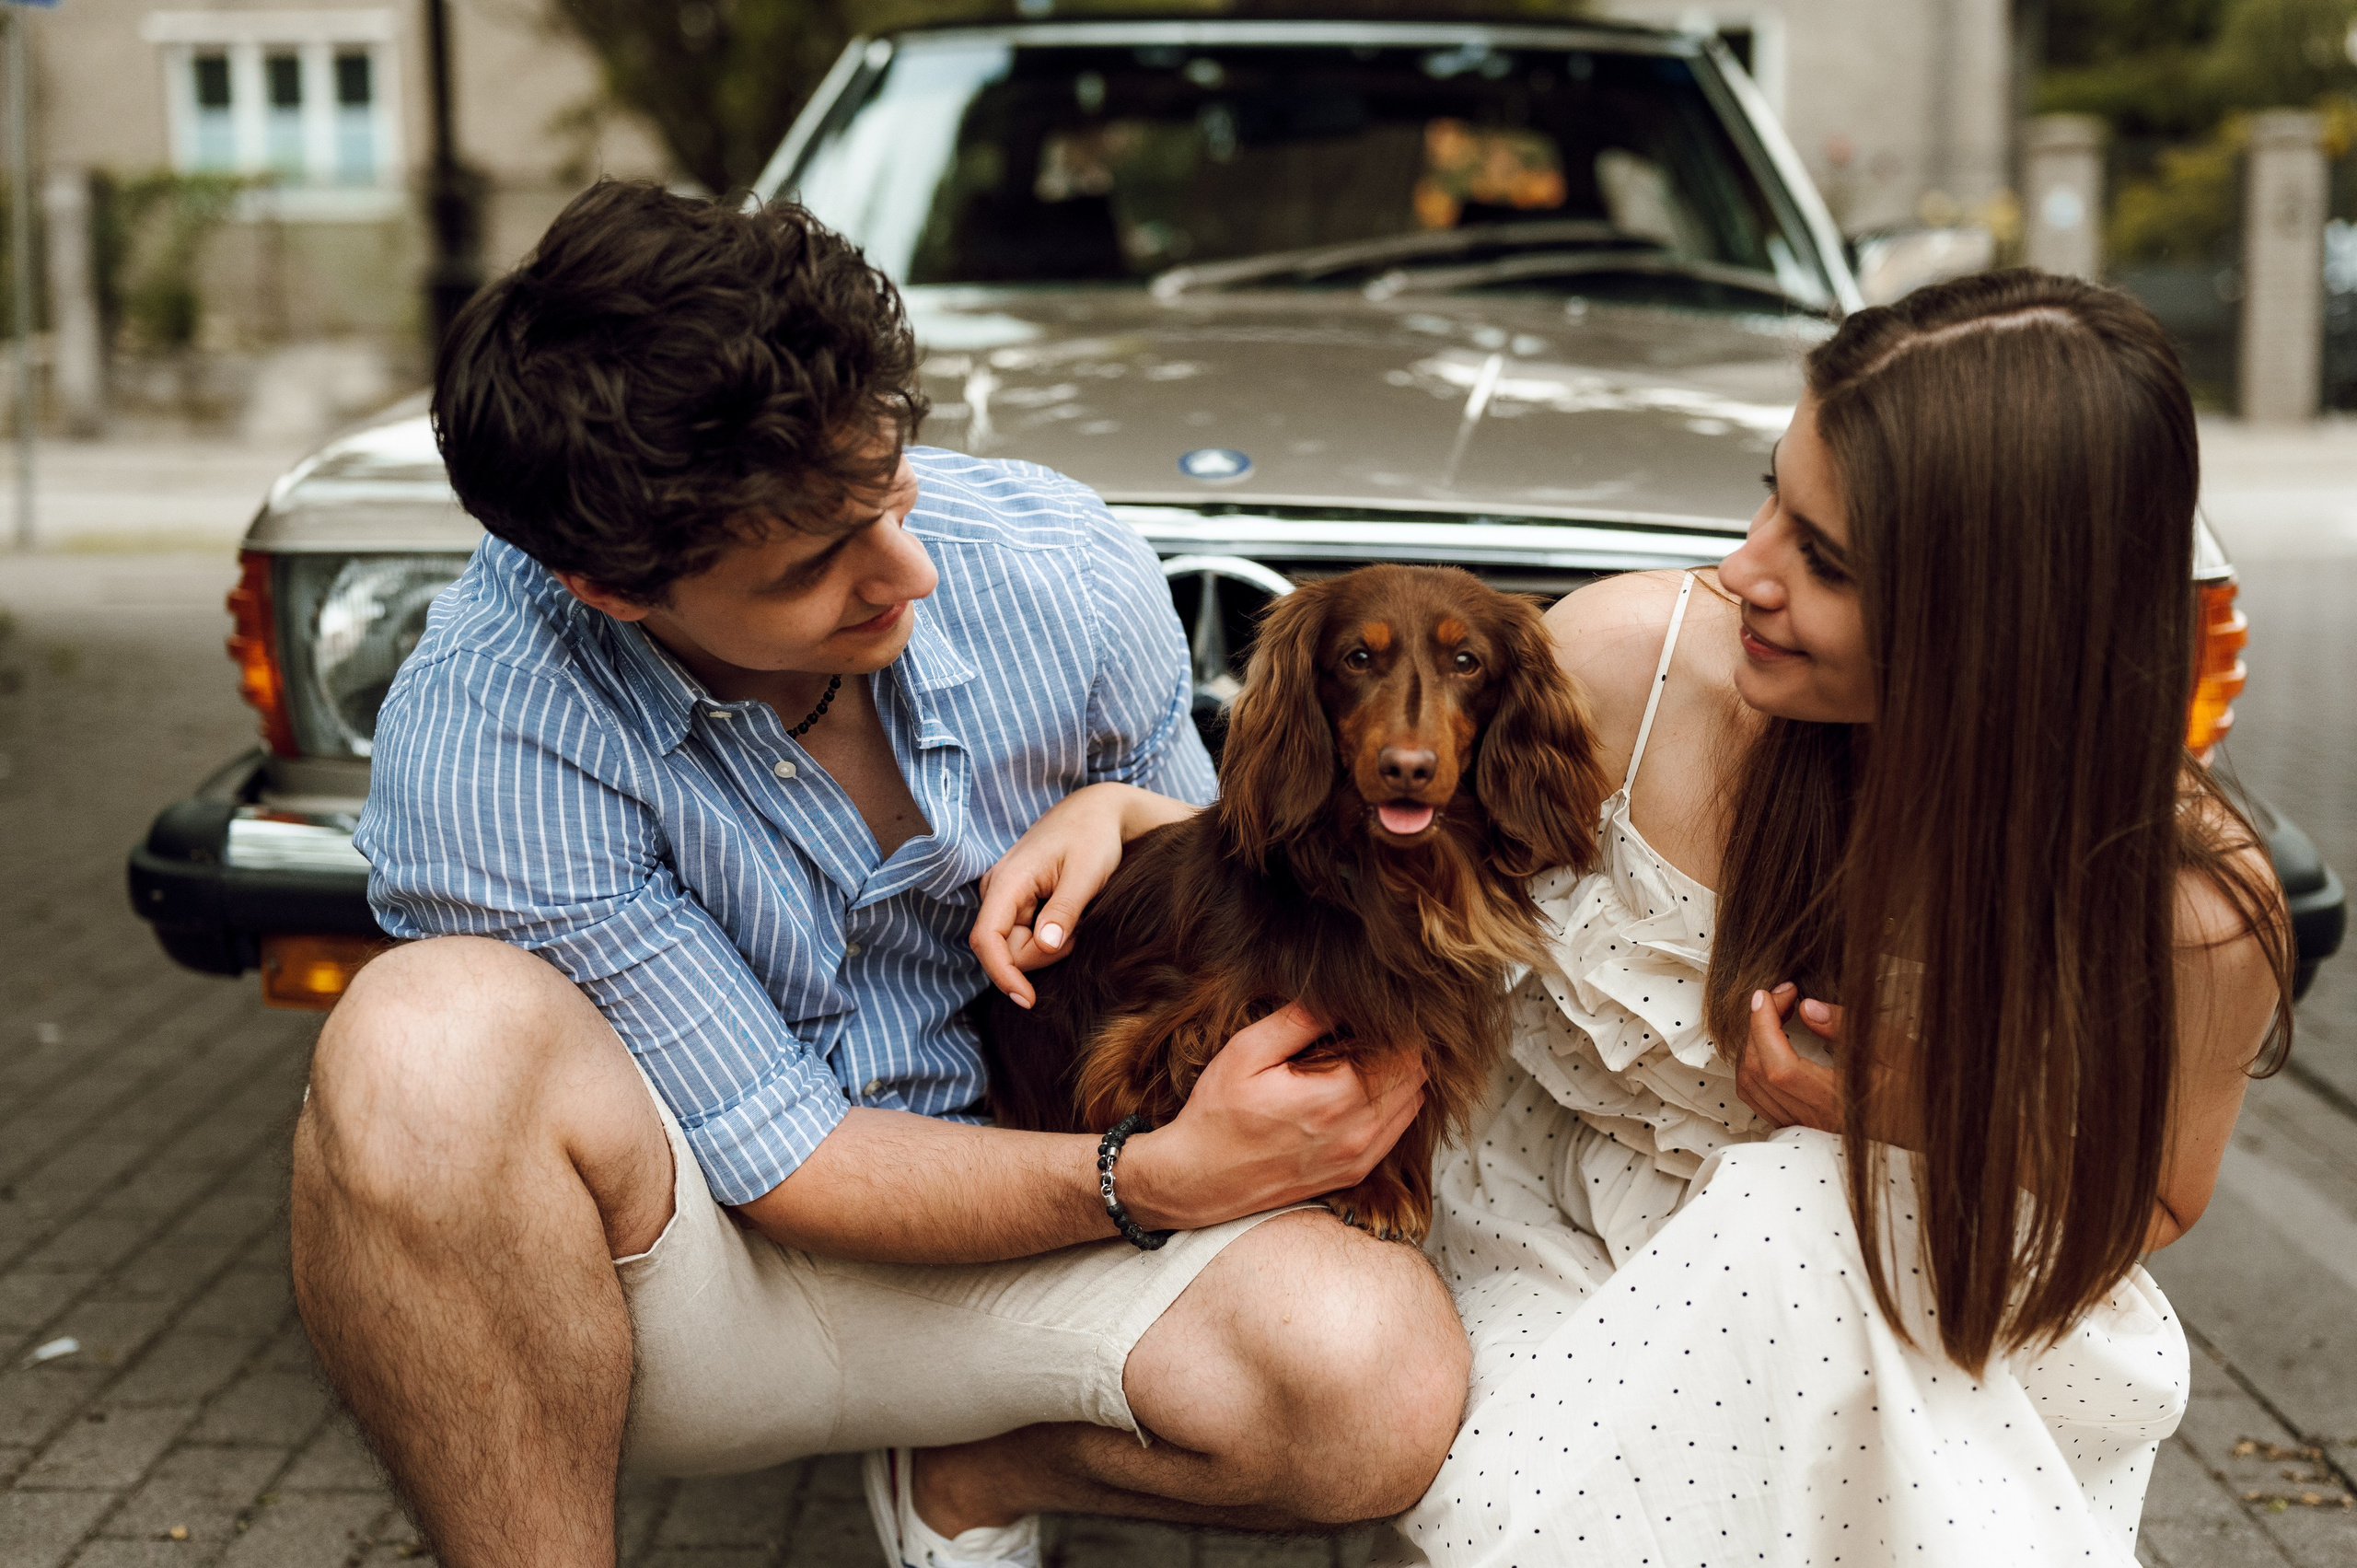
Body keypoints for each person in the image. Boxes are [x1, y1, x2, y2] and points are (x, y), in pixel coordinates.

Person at [982, 271, 2291, 1563]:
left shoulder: (2185, 905)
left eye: (1822, 561)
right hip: (1560, 1231)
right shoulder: (1637, 668)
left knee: (1810, 1218)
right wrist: (1125, 812)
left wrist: (1905, 1105)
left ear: (1998, 625)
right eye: (1769, 496)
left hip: (1910, 1273)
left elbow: (2153, 1202)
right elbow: (1364, 847)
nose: (1741, 569)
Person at [287, 181, 1467, 1568]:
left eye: (891, 488)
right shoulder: (487, 731)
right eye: (813, 565)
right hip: (691, 1279)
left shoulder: (1058, 563)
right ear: (609, 587)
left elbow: (1245, 931)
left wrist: (1138, 811)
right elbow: (789, 1162)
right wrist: (1151, 1181)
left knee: (1382, 1392)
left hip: (1045, 1235)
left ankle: (969, 1475)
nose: (906, 571)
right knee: (418, 1042)